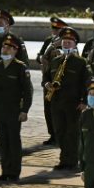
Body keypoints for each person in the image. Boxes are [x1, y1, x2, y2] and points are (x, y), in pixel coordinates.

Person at [0, 34, 33, 182]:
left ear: (15, 50)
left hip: (13, 110)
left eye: (8, 48)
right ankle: (5, 170)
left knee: (13, 141)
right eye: (3, 47)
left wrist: (25, 110)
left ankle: (14, 172)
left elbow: (28, 91)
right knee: (3, 141)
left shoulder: (20, 67)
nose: (5, 50)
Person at [43, 27, 91, 172]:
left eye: (69, 42)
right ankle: (64, 159)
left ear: (75, 44)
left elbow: (88, 82)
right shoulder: (55, 61)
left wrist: (85, 101)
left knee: (72, 133)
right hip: (57, 103)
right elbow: (46, 77)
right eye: (64, 41)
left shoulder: (81, 62)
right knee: (60, 132)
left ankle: (72, 161)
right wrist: (47, 84)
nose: (66, 44)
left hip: (74, 103)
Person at [37, 16, 69, 145]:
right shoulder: (49, 41)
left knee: (58, 109)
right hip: (47, 77)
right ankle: (52, 134)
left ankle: (60, 134)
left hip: (58, 80)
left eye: (57, 30)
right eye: (53, 29)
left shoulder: (66, 43)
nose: (54, 32)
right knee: (48, 109)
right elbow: (40, 56)